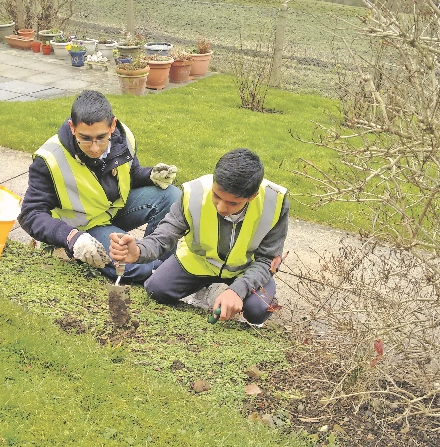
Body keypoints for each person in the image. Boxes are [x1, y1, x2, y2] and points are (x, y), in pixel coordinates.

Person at [109, 148, 289, 326]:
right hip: (198, 263)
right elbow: (164, 235)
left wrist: (238, 290)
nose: (221, 208)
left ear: (252, 196)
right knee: (156, 290)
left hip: (245, 270)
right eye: (216, 196)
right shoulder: (194, 193)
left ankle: (223, 292)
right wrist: (139, 250)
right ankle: (207, 290)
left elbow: (267, 260)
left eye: (232, 203)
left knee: (259, 310)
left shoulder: (275, 202)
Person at [18, 90, 181, 283]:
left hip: (114, 211)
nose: (94, 148)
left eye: (101, 137)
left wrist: (150, 175)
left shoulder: (124, 137)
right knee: (131, 265)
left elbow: (130, 175)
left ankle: (161, 265)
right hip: (83, 229)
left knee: (172, 196)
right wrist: (71, 237)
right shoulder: (50, 159)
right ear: (72, 127)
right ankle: (157, 270)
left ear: (113, 125)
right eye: (85, 138)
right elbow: (30, 214)